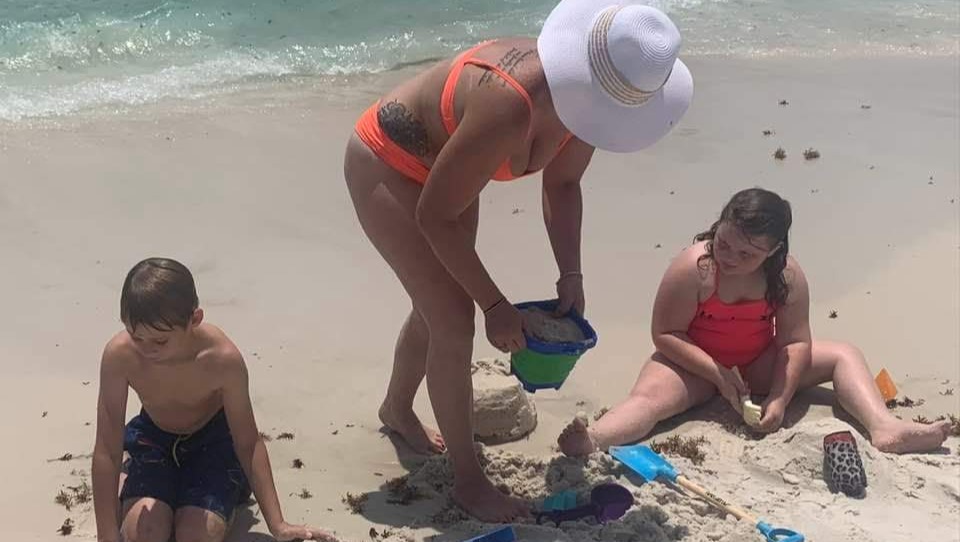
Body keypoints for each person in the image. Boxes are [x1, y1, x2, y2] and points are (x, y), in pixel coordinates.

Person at [342, 0, 693, 521]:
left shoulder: (587, 108)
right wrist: (495, 306)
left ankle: (396, 408)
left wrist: (570, 273)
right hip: (388, 161)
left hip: (451, 171)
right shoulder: (509, 103)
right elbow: (435, 217)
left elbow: (564, 183)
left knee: (435, 304)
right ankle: (468, 482)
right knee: (454, 317)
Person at [558, 188, 952, 457]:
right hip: (693, 365)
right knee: (649, 401)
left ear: (774, 251)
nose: (729, 257)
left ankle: (884, 427)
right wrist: (716, 373)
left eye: (746, 254)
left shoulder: (787, 276)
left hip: (757, 362)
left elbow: (795, 342)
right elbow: (664, 334)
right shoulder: (695, 267)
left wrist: (780, 397)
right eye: (724, 243)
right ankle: (594, 439)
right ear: (719, 225)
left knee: (844, 354)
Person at [91, 258, 339, 542]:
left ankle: (211, 490)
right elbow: (107, 449)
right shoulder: (120, 356)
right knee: (145, 533)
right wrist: (106, 536)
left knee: (195, 535)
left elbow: (248, 442)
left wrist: (278, 524)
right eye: (137, 337)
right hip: (153, 439)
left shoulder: (222, 359)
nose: (147, 350)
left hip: (212, 443)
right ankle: (140, 477)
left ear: (194, 320)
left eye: (160, 341)